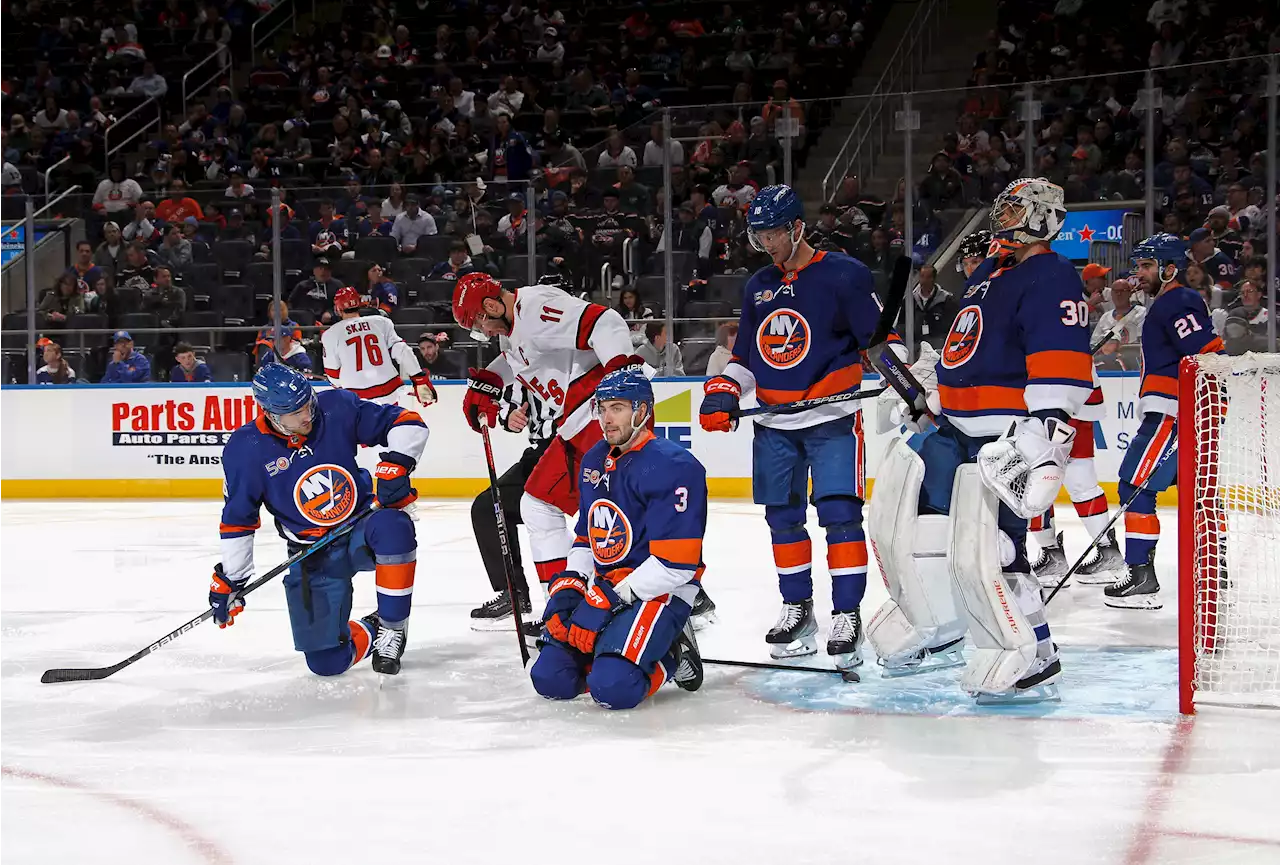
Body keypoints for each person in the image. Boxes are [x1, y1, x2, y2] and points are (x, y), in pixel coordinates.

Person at [866, 178, 1092, 704]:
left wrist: (1046, 434)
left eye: (1015, 208)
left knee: (995, 546)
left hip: (1002, 434)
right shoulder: (993, 268)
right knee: (915, 526)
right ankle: (937, 622)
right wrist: (935, 388)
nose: (1004, 216)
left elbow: (1060, 363)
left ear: (1041, 216)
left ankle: (1035, 652)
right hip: (957, 427)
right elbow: (971, 341)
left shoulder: (1053, 275)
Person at [698, 184, 904, 670]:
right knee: (782, 518)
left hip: (830, 419)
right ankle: (798, 608)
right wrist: (725, 389)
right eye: (759, 234)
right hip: (774, 423)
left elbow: (878, 344)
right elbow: (748, 356)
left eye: (773, 233)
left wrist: (907, 386)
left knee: (839, 516)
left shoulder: (843, 275)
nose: (767, 244)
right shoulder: (759, 286)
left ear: (797, 228)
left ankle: (846, 613)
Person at [451, 272, 661, 617]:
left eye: (481, 323)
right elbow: (519, 357)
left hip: (603, 416)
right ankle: (563, 607)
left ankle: (671, 594)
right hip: (579, 422)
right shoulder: (516, 324)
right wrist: (488, 382)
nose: (485, 332)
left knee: (614, 519)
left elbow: (605, 322)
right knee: (537, 505)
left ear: (491, 305)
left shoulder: (534, 309)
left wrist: (621, 385)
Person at [213, 363, 429, 676]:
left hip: (361, 528)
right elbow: (238, 521)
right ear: (271, 414)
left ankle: (393, 628)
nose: (307, 416)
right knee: (327, 663)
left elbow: (407, 422)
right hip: (311, 552)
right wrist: (232, 579)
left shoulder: (335, 407)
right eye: (295, 412)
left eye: (308, 404)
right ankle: (376, 625)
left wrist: (397, 464)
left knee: (394, 526)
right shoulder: (246, 450)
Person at [530, 367, 705, 708]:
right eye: (602, 408)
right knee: (550, 679)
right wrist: (569, 585)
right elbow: (587, 534)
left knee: (614, 688)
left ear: (642, 411)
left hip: (660, 590)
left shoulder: (676, 466)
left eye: (618, 408)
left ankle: (674, 654)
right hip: (608, 587)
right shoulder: (595, 458)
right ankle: (613, 650)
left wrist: (607, 600)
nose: (606, 419)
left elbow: (677, 565)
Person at [1103, 234, 1224, 610]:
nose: (1138, 274)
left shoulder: (1178, 300)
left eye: (1145, 266)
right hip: (1181, 409)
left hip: (1173, 411)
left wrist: (1198, 408)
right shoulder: (1168, 303)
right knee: (1197, 492)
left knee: (1133, 485)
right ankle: (1212, 571)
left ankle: (1141, 573)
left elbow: (1207, 354)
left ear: (1169, 268)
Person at [321, 287, 436, 406]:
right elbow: (402, 351)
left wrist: (342, 384)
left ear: (338, 309)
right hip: (388, 392)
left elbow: (333, 375)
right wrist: (419, 378)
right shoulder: (381, 322)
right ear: (359, 303)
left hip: (356, 399)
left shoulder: (331, 334)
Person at [909, 264, 959, 354]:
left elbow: (952, 326)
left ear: (934, 279)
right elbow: (902, 325)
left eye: (928, 277)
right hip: (915, 344)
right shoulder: (910, 300)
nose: (924, 280)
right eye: (922, 276)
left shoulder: (947, 299)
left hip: (938, 344)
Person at [288, 259, 343, 325]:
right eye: (320, 268)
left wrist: (332, 314)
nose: (323, 272)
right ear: (314, 270)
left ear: (330, 272)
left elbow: (343, 305)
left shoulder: (338, 286)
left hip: (328, 323)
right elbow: (290, 303)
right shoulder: (303, 286)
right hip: (305, 322)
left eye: (326, 269)